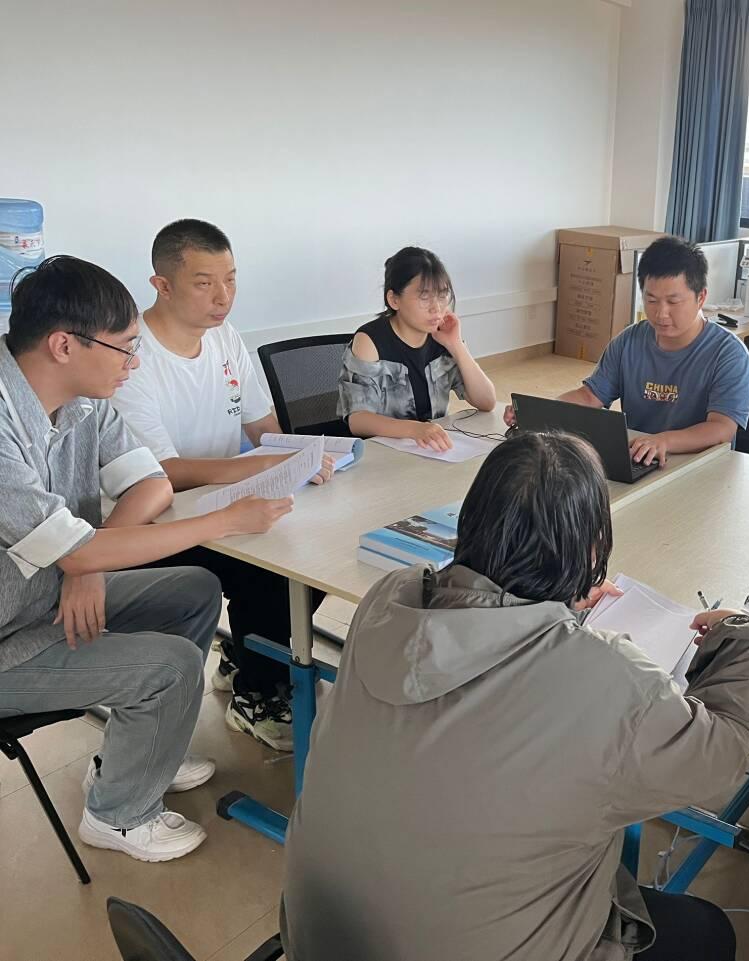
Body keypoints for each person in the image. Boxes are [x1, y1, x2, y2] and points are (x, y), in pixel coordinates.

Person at [282, 431, 749, 961]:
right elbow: (723, 753)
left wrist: (550, 604)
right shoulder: (611, 676)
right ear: (592, 550)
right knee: (707, 931)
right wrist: (741, 634)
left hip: (318, 939)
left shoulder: (388, 598)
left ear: (469, 520)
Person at [0, 257, 290, 862]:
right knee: (172, 665)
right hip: (8, 639)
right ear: (63, 345)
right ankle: (118, 815)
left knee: (194, 588)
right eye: (126, 348)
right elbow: (77, 548)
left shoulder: (84, 399)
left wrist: (89, 565)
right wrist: (226, 519)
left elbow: (152, 482)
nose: (134, 363)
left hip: (42, 598)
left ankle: (139, 752)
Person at [112, 220, 333, 752]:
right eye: (204, 282)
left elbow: (261, 427)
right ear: (162, 285)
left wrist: (299, 457)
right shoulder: (131, 356)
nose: (223, 297)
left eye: (231, 279)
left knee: (320, 544)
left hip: (222, 502)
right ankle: (257, 694)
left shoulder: (224, 337)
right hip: (155, 521)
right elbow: (161, 472)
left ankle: (248, 654)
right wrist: (256, 468)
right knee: (271, 571)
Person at [503, 235, 749, 466]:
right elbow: (590, 397)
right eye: (651, 300)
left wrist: (663, 441)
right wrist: (539, 412)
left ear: (701, 298)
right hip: (638, 459)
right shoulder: (628, 342)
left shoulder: (729, 354)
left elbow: (722, 428)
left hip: (701, 467)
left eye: (673, 301)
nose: (661, 313)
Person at [338, 246, 497, 452]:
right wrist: (415, 429)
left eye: (442, 295)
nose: (436, 308)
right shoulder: (370, 341)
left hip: (429, 451)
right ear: (394, 300)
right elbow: (358, 420)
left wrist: (456, 345)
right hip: (383, 454)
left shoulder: (441, 337)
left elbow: (487, 401)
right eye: (424, 297)